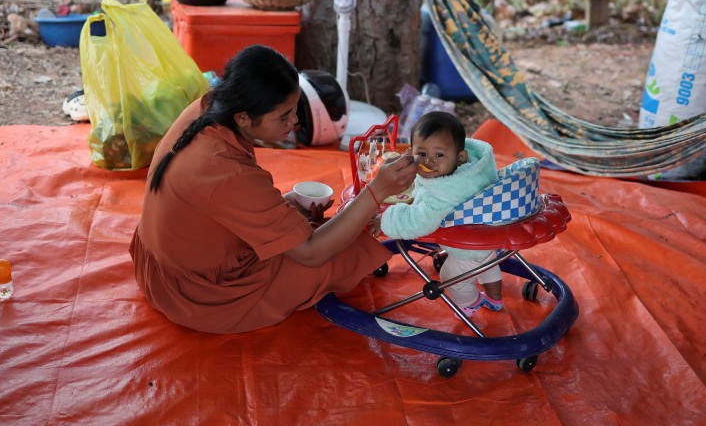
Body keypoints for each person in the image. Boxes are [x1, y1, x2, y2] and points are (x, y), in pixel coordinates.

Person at [129, 45, 418, 334]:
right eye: (283, 117)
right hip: (197, 294)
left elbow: (215, 201)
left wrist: (285, 204)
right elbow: (311, 253)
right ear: (243, 117)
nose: (294, 122)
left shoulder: (210, 107)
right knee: (344, 251)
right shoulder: (226, 170)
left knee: (331, 227)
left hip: (160, 264)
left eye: (294, 110)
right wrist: (376, 191)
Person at [380, 111, 504, 315]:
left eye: (439, 155)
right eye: (421, 154)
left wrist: (387, 220)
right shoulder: (472, 171)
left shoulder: (445, 193)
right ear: (411, 153)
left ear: (460, 157)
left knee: (451, 276)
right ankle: (495, 298)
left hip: (467, 249)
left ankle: (470, 304)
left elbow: (418, 222)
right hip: (489, 238)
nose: (429, 162)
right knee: (487, 264)